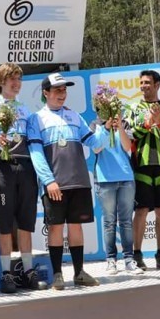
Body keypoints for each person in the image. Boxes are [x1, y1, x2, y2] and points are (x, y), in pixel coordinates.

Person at [28, 72, 108, 290]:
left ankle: (79, 272)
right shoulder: (36, 119)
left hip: (79, 181)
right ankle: (57, 274)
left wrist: (106, 127)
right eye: (57, 90)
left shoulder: (74, 116)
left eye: (64, 90)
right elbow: (35, 153)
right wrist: (48, 181)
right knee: (55, 228)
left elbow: (95, 143)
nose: (62, 94)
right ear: (46, 93)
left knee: (76, 227)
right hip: (55, 183)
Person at [0, 63, 47, 293]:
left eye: (19, 79)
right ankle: (6, 274)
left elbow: (34, 141)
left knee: (26, 220)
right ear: (0, 82)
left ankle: (28, 272)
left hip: (25, 167)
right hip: (3, 167)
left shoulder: (26, 109)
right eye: (11, 79)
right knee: (5, 220)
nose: (16, 84)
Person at [125, 70, 160, 270]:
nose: (143, 86)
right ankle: (137, 254)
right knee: (140, 210)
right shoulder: (132, 108)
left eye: (147, 82)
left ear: (157, 84)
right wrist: (148, 124)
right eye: (141, 83)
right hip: (141, 166)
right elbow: (129, 136)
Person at [91, 111, 143, 276]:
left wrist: (119, 126)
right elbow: (97, 148)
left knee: (126, 221)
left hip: (126, 178)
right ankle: (111, 260)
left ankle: (129, 260)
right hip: (105, 179)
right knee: (109, 222)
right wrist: (106, 128)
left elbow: (128, 147)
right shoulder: (95, 125)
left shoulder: (124, 123)